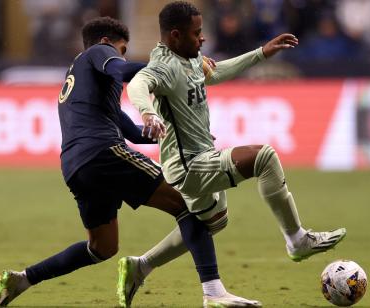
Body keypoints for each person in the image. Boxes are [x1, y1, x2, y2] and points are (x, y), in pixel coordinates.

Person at [0, 17, 258, 308]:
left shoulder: (85, 83)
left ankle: (24, 278)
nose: (123, 56)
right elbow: (122, 69)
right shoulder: (97, 53)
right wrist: (177, 67)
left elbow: (132, 132)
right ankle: (214, 292)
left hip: (76, 166)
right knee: (188, 202)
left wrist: (179, 133)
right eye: (122, 49)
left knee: (102, 247)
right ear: (107, 42)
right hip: (102, 152)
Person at [121, 2, 347, 307]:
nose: (202, 38)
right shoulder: (164, 66)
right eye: (196, 33)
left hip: (198, 157)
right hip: (191, 167)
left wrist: (261, 53)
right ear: (175, 35)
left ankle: (141, 266)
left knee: (211, 223)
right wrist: (148, 113)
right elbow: (138, 83)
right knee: (263, 157)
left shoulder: (189, 58)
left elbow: (213, 74)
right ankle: (297, 239)